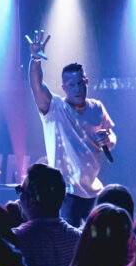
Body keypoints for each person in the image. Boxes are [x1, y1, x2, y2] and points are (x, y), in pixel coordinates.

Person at [27, 31, 116, 227]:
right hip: (66, 192)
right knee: (71, 242)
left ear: (87, 82)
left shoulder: (96, 107)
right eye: (72, 84)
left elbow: (111, 135)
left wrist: (107, 139)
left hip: (94, 190)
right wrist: (35, 59)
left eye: (80, 83)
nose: (77, 88)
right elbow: (36, 86)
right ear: (64, 87)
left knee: (94, 243)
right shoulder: (55, 109)